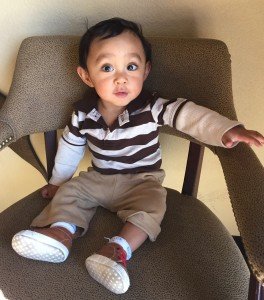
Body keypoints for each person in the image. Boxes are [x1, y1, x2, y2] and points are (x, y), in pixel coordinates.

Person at [12, 17, 264, 294]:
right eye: (107, 68)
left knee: (153, 205)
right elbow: (71, 148)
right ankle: (60, 233)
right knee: (71, 192)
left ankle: (116, 251)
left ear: (145, 71)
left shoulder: (151, 107)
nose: (121, 78)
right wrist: (59, 181)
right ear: (86, 76)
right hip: (99, 178)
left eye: (131, 66)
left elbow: (190, 116)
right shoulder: (83, 113)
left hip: (141, 181)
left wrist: (226, 130)